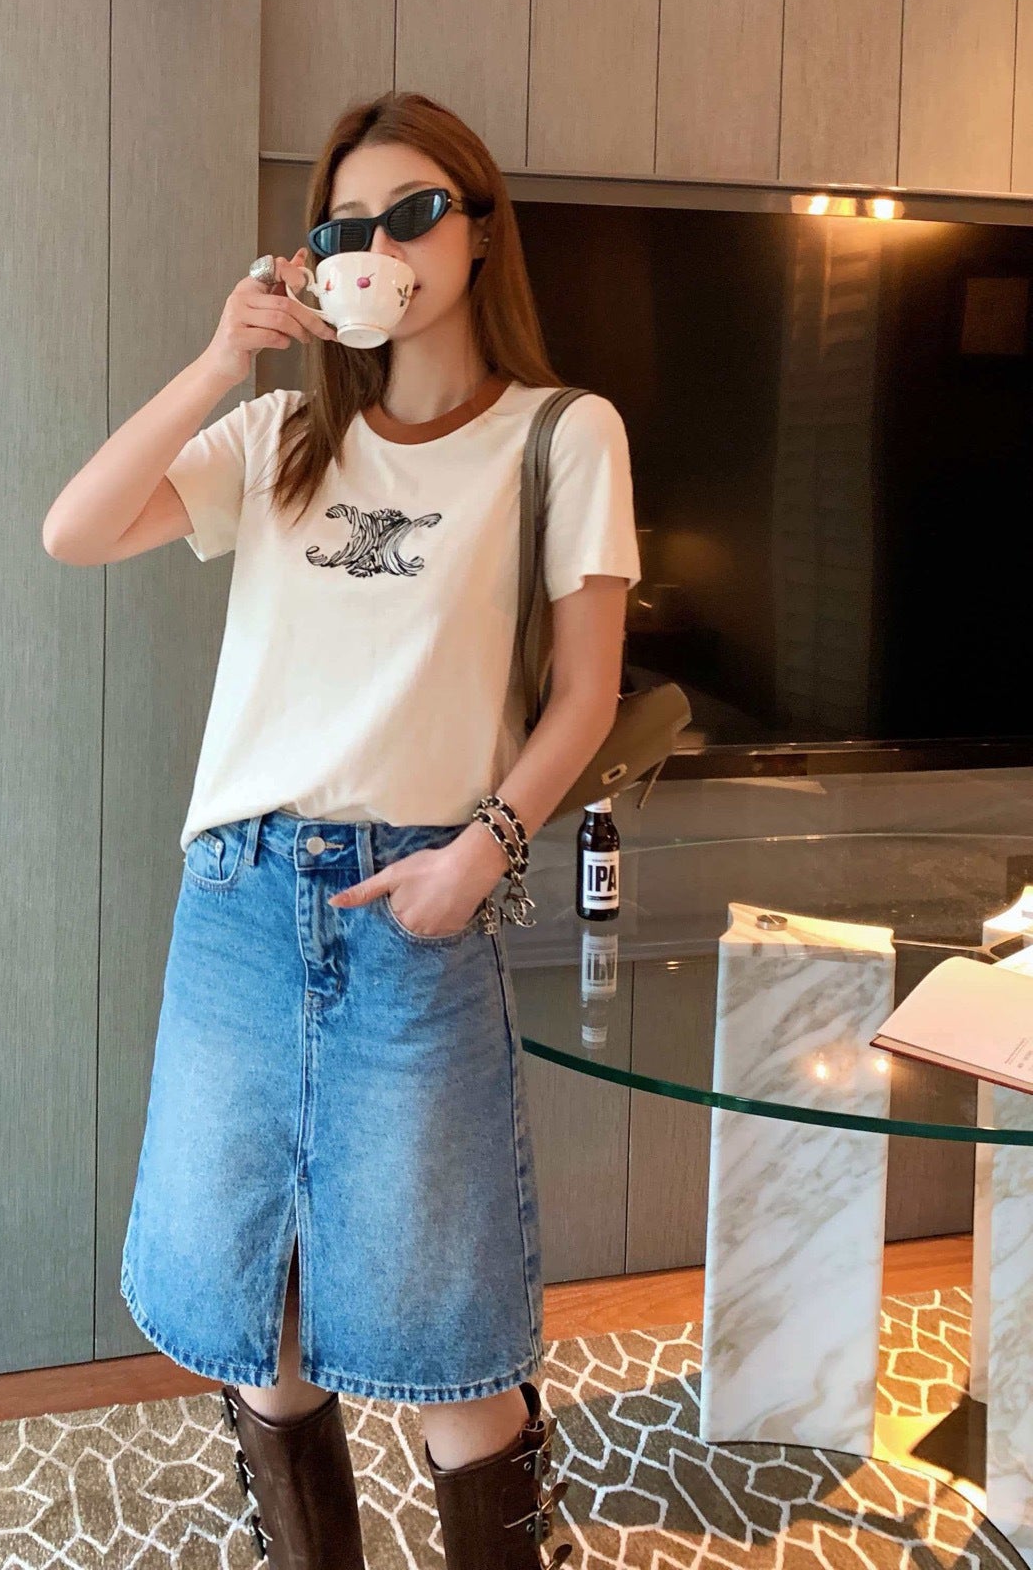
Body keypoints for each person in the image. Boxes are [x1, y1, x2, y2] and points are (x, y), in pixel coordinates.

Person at [42, 91, 640, 1568]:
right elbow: (75, 529)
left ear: (480, 230)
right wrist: (220, 359)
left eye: (415, 212)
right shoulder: (281, 438)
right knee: (268, 1319)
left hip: (414, 900)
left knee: (449, 1342)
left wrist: (481, 854)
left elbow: (586, 697)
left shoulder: (562, 436)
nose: (383, 246)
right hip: (241, 902)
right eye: (347, 226)